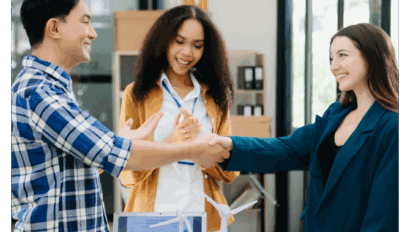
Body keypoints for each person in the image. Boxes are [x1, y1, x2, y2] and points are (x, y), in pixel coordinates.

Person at [11, 1, 228, 231]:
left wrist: (126, 143)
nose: (93, 33)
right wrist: (191, 148)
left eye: (197, 45)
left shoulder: (51, 88)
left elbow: (69, 173)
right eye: (85, 21)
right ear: (54, 28)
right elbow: (114, 154)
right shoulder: (39, 93)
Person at [209, 23, 399, 231]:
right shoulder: (335, 114)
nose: (333, 66)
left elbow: (383, 214)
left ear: (372, 57)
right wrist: (228, 146)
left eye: (342, 55)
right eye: (331, 58)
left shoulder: (391, 126)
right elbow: (288, 148)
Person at [118, 5, 240, 232]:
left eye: (197, 46)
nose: (187, 53)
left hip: (204, 217)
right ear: (163, 41)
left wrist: (202, 153)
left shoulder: (216, 98)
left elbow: (231, 171)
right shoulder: (136, 94)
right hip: (151, 218)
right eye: (179, 41)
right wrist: (171, 145)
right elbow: (126, 172)